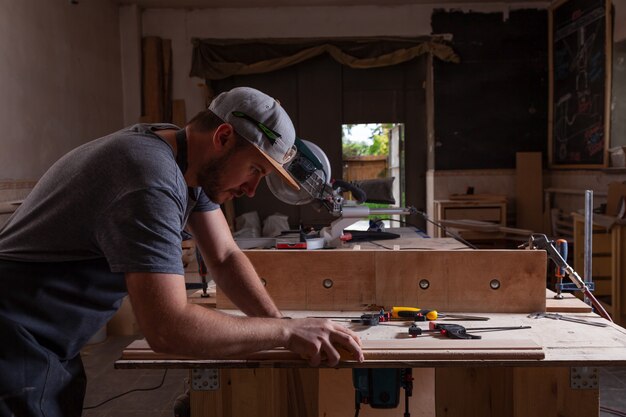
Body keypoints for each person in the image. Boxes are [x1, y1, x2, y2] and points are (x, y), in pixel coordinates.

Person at [0, 86, 364, 417]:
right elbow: (167, 327)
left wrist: (281, 325)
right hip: (15, 334)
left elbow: (224, 256)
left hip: (47, 337)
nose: (252, 189)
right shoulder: (150, 177)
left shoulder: (182, 156)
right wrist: (285, 335)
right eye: (254, 169)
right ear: (223, 136)